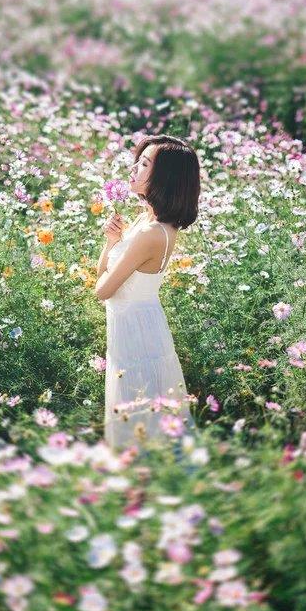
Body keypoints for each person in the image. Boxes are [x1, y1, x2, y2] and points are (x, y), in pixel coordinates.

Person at [95, 134, 201, 454]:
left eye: (143, 164)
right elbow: (104, 278)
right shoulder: (149, 221)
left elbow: (102, 290)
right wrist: (111, 242)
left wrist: (113, 246)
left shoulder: (150, 233)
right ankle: (148, 464)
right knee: (146, 406)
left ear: (164, 178)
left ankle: (144, 467)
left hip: (134, 330)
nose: (133, 169)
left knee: (138, 406)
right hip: (139, 322)